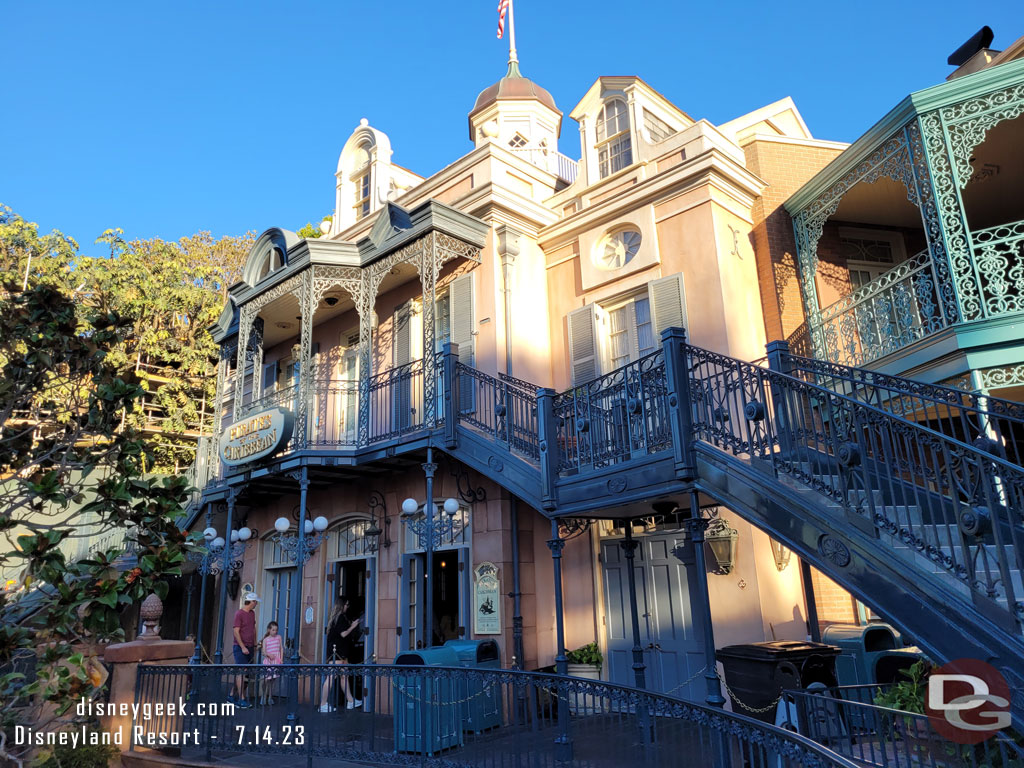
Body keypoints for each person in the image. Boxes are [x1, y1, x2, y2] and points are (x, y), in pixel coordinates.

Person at [318, 597, 362, 712]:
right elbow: (343, 634)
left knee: (343, 677)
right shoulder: (340, 618)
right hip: (337, 653)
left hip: (339, 652)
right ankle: (323, 704)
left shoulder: (335, 618)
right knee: (332, 678)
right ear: (342, 605)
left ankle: (351, 701)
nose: (347, 607)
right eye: (346, 604)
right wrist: (353, 626)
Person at [230, 592, 259, 709]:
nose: (256, 603)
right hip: (240, 647)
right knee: (241, 671)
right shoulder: (239, 614)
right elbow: (236, 631)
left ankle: (232, 694)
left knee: (246, 673)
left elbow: (253, 629)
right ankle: (241, 698)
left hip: (250, 646)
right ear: (251, 602)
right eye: (255, 601)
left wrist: (255, 643)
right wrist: (242, 646)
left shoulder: (252, 614)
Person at [259, 621, 283, 705]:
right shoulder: (266, 640)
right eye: (273, 630)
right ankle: (263, 695)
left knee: (273, 680)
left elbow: (281, 648)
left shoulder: (279, 637)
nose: (275, 632)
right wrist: (268, 654)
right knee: (265, 679)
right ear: (269, 630)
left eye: (276, 630)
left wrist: (281, 659)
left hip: (276, 660)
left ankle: (270, 697)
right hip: (268, 661)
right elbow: (263, 651)